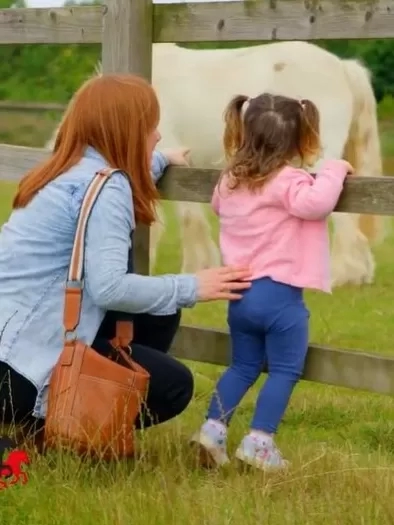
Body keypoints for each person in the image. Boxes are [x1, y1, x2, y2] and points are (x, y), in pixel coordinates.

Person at [0, 74, 252, 444]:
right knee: (173, 386)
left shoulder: (62, 170)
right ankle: (48, 427)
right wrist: (194, 285)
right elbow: (109, 288)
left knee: (159, 310)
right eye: (150, 126)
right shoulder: (108, 188)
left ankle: (37, 419)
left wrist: (159, 161)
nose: (158, 135)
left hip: (7, 352)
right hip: (21, 367)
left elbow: (110, 183)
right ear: (125, 130)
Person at [190, 93, 353, 471]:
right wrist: (335, 169)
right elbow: (317, 203)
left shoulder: (230, 180)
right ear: (298, 140)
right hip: (279, 296)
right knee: (284, 370)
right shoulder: (289, 181)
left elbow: (217, 205)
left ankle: (212, 430)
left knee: (242, 367)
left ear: (245, 133)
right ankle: (259, 441)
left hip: (240, 295)